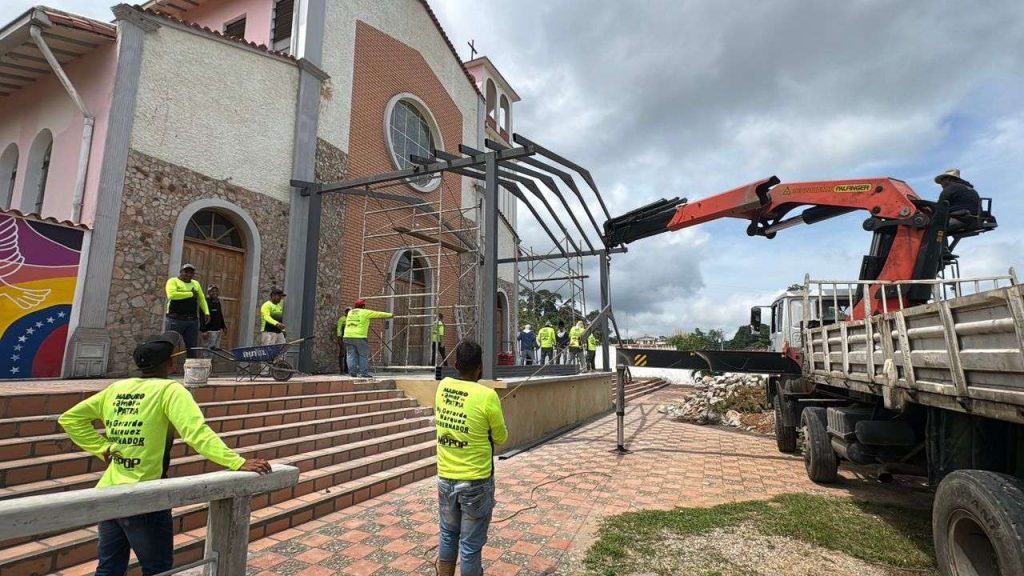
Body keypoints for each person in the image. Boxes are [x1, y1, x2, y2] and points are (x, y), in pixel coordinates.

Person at [57, 332, 271, 576]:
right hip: (146, 495)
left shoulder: (117, 388)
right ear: (170, 363)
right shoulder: (171, 390)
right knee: (157, 569)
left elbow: (70, 419)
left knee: (108, 569)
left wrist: (101, 447)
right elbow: (196, 433)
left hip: (109, 492)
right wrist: (236, 462)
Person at [433, 341, 508, 576]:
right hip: (476, 482)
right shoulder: (488, 396)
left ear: (456, 365)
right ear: (480, 367)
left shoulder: (443, 387)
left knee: (448, 534)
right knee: (470, 545)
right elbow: (501, 437)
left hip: (445, 478)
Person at [164, 264, 209, 359]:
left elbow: (201, 299)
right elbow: (172, 295)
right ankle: (166, 366)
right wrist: (191, 294)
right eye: (186, 272)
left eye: (191, 272)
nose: (188, 274)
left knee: (192, 348)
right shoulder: (173, 281)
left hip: (191, 321)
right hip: (175, 320)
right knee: (170, 345)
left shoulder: (196, 284)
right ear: (181, 272)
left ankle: (191, 368)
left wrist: (206, 312)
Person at [344, 298, 393, 378]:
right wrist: (391, 315)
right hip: (359, 337)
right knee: (363, 355)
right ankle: (363, 373)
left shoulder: (350, 313)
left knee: (350, 355)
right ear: (363, 306)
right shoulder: (365, 312)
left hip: (347, 336)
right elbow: (378, 314)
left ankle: (352, 372)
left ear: (355, 306)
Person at [200, 285, 226, 350]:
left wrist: (223, 326)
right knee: (208, 351)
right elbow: (201, 317)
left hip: (217, 330)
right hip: (209, 331)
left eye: (216, 291)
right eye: (212, 291)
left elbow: (220, 314)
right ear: (209, 293)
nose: (215, 293)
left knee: (216, 351)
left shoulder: (217, 302)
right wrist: (204, 330)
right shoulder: (205, 302)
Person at [336, 306, 351, 375]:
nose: (349, 313)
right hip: (343, 338)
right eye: (348, 311)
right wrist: (339, 339)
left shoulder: (351, 319)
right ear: (345, 312)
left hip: (350, 339)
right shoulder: (342, 319)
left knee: (348, 354)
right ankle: (341, 370)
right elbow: (339, 329)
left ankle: (346, 369)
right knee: (342, 354)